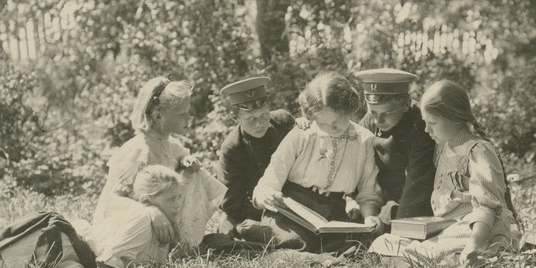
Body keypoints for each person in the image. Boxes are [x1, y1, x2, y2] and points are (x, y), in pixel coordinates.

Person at [93, 76, 257, 255]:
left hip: (161, 222)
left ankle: (183, 244)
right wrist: (150, 211)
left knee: (195, 172)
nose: (189, 118)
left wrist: (186, 163)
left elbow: (180, 166)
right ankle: (164, 248)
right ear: (158, 116)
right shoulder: (139, 150)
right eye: (182, 114)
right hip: (133, 225)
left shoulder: (171, 145)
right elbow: (113, 202)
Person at [370, 80, 519, 266]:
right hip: (449, 229)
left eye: (432, 122)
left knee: (435, 251)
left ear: (455, 118)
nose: (426, 130)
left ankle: (448, 260)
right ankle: (425, 260)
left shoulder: (478, 150)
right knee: (382, 243)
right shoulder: (443, 148)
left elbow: (487, 207)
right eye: (425, 122)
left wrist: (473, 245)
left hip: (479, 230)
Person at [0, 166, 187, 268]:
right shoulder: (143, 218)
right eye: (170, 199)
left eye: (179, 198)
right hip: (66, 246)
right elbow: (107, 261)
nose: (177, 205)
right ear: (147, 201)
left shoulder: (163, 223)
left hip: (77, 256)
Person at [252, 72, 384, 253]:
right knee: (295, 242)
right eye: (322, 123)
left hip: (332, 212)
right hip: (291, 210)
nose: (332, 129)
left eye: (337, 121)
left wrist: (370, 217)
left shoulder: (364, 140)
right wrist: (267, 195)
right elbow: (271, 179)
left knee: (352, 247)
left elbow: (368, 188)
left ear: (349, 110)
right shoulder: (302, 134)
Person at [216, 76, 295, 240]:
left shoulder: (283, 121)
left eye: (264, 115)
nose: (260, 123)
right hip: (259, 209)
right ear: (234, 117)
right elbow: (231, 203)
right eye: (251, 118)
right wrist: (270, 207)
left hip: (296, 200)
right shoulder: (232, 148)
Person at [354, 68, 436, 224]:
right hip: (375, 204)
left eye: (386, 114)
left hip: (412, 206)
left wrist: (400, 227)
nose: (378, 121)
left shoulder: (421, 125)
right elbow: (352, 156)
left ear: (405, 105)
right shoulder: (370, 120)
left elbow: (418, 182)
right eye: (373, 113)